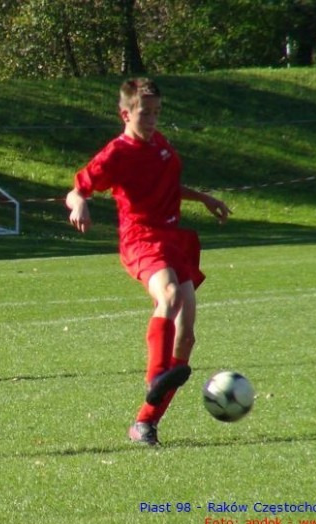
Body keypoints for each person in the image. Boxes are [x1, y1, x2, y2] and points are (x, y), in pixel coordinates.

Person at [65, 78, 231, 446]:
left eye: (157, 112)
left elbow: (166, 187)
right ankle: (155, 375)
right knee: (169, 295)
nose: (153, 119)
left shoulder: (160, 144)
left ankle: (145, 423)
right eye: (145, 113)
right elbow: (77, 190)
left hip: (172, 240)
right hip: (141, 239)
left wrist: (204, 198)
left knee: (186, 337)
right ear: (125, 114)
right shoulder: (116, 153)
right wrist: (79, 204)